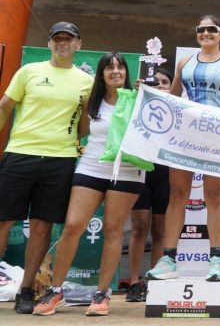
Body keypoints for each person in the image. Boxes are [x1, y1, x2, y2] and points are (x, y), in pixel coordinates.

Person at [146, 15, 220, 282]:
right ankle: (168, 260)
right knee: (177, 194)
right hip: (185, 135)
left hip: (216, 137)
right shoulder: (185, 62)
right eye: (201, 29)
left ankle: (216, 260)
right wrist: (148, 94)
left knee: (214, 196)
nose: (205, 33)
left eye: (212, 29)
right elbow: (173, 97)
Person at [32, 53, 144, 316]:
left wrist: (146, 95)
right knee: (72, 226)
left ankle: (102, 294)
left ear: (126, 72)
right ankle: (55, 290)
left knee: (113, 231)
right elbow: (79, 131)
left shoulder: (138, 99)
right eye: (109, 68)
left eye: (120, 67)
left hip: (127, 171)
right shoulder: (91, 101)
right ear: (101, 74)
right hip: (91, 167)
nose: (115, 71)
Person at [0, 22, 93, 314]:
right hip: (20, 154)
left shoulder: (87, 81)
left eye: (68, 38)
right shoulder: (28, 71)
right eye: (57, 38)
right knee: (2, 222)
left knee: (41, 228)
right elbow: (4, 107)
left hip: (60, 160)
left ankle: (26, 290)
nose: (62, 43)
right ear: (49, 43)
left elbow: (84, 125)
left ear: (78, 44)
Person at [125, 66, 173, 302]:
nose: (160, 86)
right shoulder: (139, 104)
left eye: (165, 83)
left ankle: (155, 281)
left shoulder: (178, 109)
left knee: (160, 231)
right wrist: (138, 93)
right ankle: (134, 282)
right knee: (139, 228)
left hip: (165, 173)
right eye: (156, 82)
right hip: (141, 170)